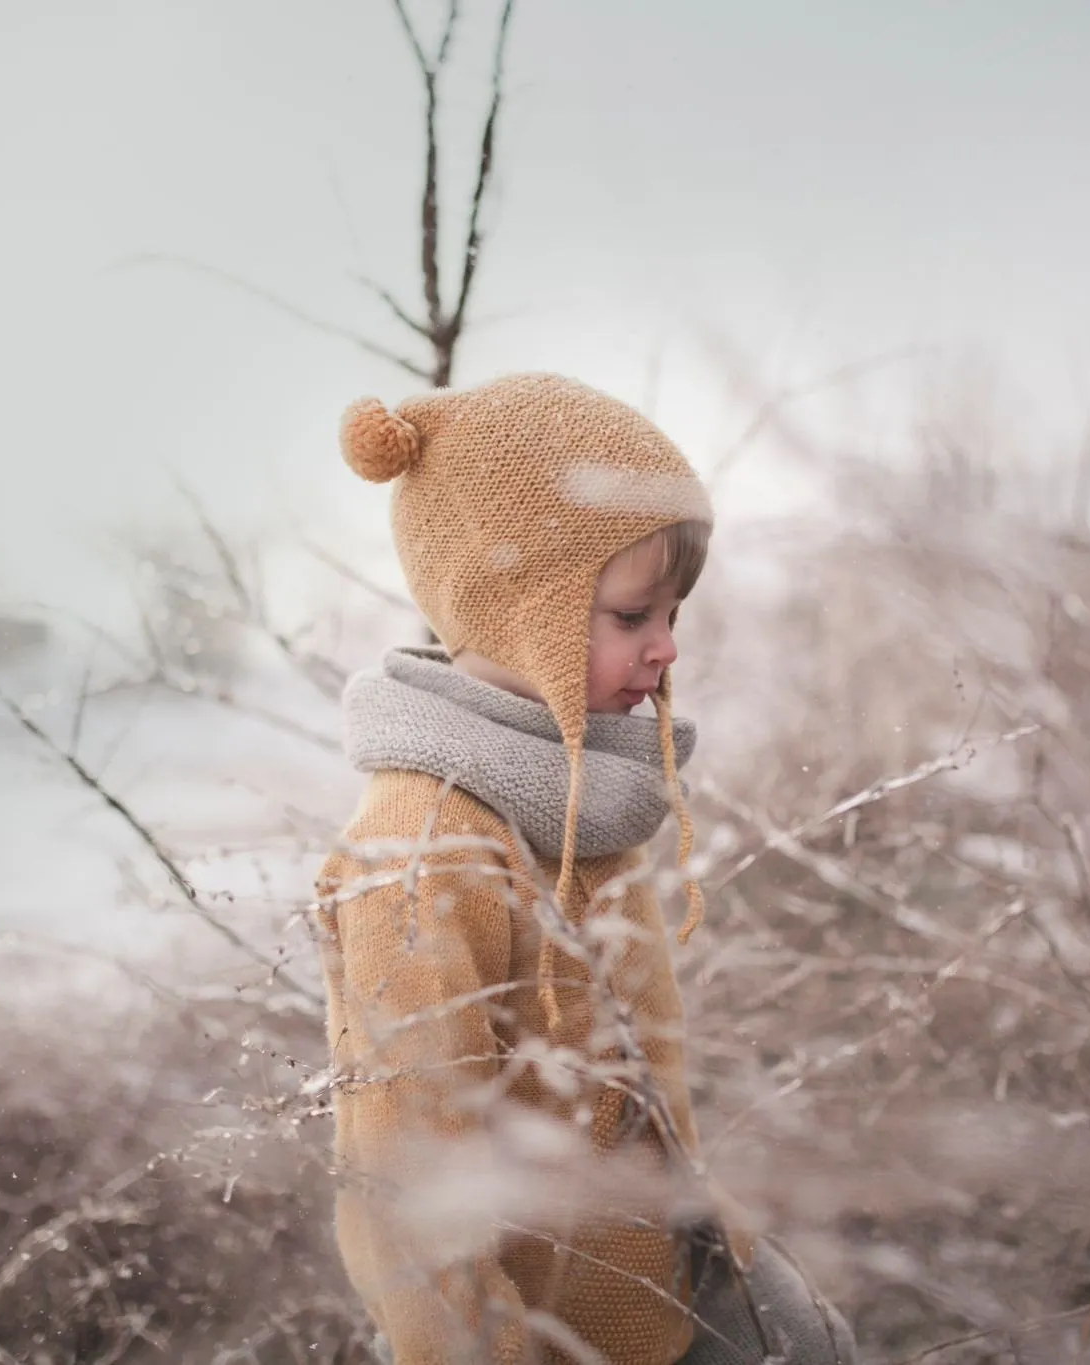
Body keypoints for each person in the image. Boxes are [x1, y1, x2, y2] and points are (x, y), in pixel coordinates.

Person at [316, 373, 855, 1365]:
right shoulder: (424, 852)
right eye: (630, 615)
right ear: (515, 605)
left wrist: (734, 1268)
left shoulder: (579, 796)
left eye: (673, 611)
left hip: (664, 1292)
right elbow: (405, 1196)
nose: (665, 648)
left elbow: (628, 1100)